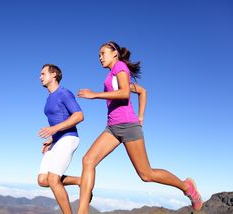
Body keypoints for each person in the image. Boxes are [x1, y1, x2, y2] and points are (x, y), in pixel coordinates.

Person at [77, 41, 203, 213]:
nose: (100, 57)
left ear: (115, 53)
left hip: (128, 126)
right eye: (98, 55)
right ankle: (82, 211)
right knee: (88, 160)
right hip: (112, 128)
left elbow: (124, 93)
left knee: (146, 174)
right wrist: (141, 115)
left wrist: (94, 95)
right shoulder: (112, 76)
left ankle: (187, 187)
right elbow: (142, 91)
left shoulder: (120, 66)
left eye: (103, 53)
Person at [37, 64, 84, 214]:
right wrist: (51, 139)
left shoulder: (64, 93)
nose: (40, 77)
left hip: (68, 138)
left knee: (53, 179)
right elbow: (59, 120)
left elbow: (79, 116)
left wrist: (54, 130)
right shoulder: (49, 98)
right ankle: (80, 180)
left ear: (54, 75)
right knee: (43, 180)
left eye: (43, 74)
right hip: (57, 140)